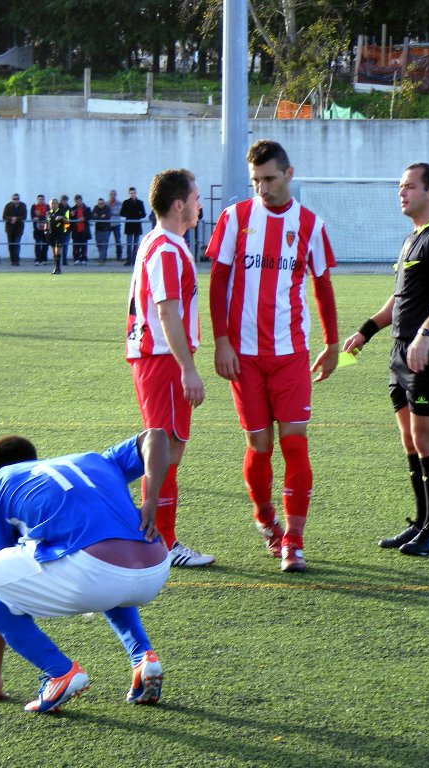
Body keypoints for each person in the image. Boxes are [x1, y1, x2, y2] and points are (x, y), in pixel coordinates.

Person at [0, 429, 172, 714]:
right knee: (103, 560)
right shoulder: (93, 459)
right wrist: (150, 500)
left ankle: (59, 672)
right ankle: (143, 658)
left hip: (96, 573)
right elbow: (156, 436)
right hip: (156, 564)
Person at [206, 140, 340, 573]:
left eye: (269, 179)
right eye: (255, 181)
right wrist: (221, 342)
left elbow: (322, 286)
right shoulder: (235, 218)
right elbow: (218, 281)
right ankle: (266, 520)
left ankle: (294, 541)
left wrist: (332, 344)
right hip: (244, 356)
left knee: (295, 443)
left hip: (291, 354)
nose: (262, 188)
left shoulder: (310, 225)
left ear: (288, 174)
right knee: (259, 446)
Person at [342, 162, 429, 557]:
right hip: (400, 354)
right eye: (400, 186)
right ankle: (420, 523)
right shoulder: (412, 238)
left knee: (426, 438)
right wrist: (366, 331)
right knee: (410, 440)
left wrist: (426, 334)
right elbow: (399, 298)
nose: (401, 192)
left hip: (427, 354)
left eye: (409, 186)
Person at [126, 168, 213, 567]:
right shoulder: (165, 249)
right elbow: (166, 312)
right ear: (180, 204)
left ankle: (155, 537)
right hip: (161, 359)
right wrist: (187, 369)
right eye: (196, 198)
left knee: (164, 446)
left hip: (155, 357)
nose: (200, 204)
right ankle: (162, 542)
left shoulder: (160, 242)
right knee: (165, 447)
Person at [120, 186, 146, 267]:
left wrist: (137, 215)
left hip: (137, 225)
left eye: (134, 193)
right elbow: (121, 213)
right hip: (129, 225)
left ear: (136, 193)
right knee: (129, 244)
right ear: (129, 194)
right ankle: (128, 260)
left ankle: (135, 260)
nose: (133, 194)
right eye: (131, 193)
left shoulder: (140, 202)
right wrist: (129, 214)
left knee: (136, 244)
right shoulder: (126, 202)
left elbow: (144, 214)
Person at [2, 192, 28, 266]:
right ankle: (12, 260)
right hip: (9, 228)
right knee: (11, 245)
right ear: (12, 199)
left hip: (19, 229)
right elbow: (4, 216)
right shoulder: (8, 205)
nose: (16, 200)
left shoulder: (23, 205)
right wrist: (11, 218)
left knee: (16, 244)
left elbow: (24, 216)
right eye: (14, 199)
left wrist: (16, 218)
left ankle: (16, 260)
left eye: (17, 199)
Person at [69, 194, 92, 265]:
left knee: (84, 246)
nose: (78, 202)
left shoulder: (87, 208)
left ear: (81, 201)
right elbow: (69, 219)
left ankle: (84, 259)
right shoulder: (72, 209)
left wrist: (84, 218)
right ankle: (76, 259)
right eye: (76, 201)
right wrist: (71, 215)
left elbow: (90, 216)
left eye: (79, 201)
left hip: (84, 230)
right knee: (75, 246)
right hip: (76, 230)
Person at [93, 196, 112, 264]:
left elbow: (108, 217)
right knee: (99, 245)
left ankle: (101, 259)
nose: (100, 205)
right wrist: (101, 217)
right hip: (98, 230)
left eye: (102, 203)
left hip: (106, 230)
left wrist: (98, 217)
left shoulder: (107, 208)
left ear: (104, 203)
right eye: (99, 203)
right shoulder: (95, 208)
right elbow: (93, 217)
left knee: (104, 245)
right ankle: (103, 257)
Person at [31, 194, 49, 266]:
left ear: (44, 200)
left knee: (45, 244)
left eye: (42, 199)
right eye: (39, 199)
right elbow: (33, 217)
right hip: (37, 229)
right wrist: (42, 218)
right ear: (37, 200)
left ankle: (44, 259)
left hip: (46, 228)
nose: (41, 201)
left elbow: (48, 217)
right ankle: (37, 260)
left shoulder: (47, 206)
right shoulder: (34, 206)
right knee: (37, 244)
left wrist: (39, 218)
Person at [108, 189, 124, 260]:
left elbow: (120, 212)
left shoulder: (120, 203)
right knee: (106, 241)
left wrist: (111, 212)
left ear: (116, 195)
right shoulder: (106, 203)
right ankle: (103, 256)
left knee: (118, 240)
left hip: (117, 224)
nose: (112, 195)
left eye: (114, 194)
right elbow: (106, 213)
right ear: (109, 195)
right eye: (111, 194)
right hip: (108, 224)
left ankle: (119, 255)